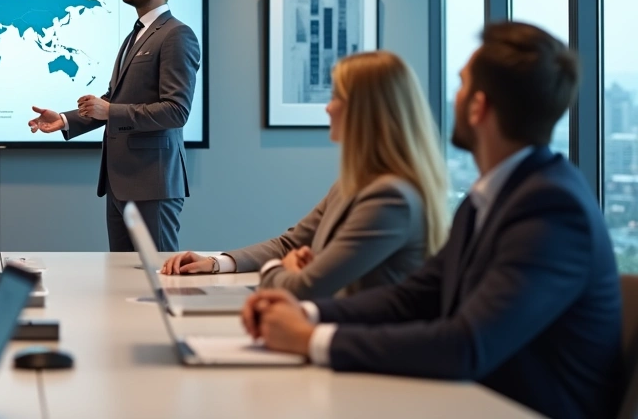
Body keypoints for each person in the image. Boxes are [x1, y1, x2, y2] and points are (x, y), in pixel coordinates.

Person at [243, 22, 622, 419]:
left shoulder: (551, 209)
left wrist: (312, 339)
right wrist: (307, 312)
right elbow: (414, 297)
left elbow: (466, 344)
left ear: (478, 107)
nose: (451, 98)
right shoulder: (493, 197)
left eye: (460, 85)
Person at [161, 51, 448, 299]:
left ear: (365, 113)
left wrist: (281, 268)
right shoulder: (353, 185)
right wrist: (215, 263)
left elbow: (305, 287)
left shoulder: (389, 198)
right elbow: (291, 243)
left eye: (337, 97)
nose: (328, 107)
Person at [28, 0, 201, 251]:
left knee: (160, 281)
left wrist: (111, 111)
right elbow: (113, 100)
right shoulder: (135, 34)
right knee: (124, 282)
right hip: (119, 184)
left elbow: (176, 111)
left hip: (152, 186)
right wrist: (67, 120)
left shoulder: (176, 35)